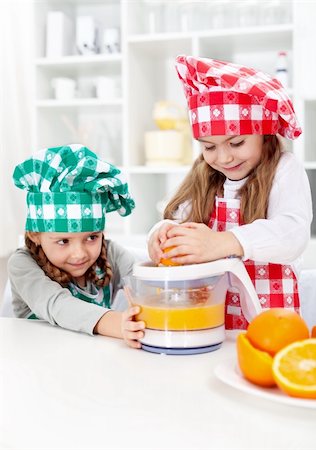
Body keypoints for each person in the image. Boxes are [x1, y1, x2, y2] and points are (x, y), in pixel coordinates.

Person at [148, 55, 313, 332]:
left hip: (271, 324)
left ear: (265, 133)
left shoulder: (284, 169)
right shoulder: (204, 174)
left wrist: (224, 242)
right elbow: (180, 221)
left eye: (236, 142)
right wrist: (163, 231)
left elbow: (292, 233)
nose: (223, 158)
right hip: (212, 321)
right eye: (209, 147)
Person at [8, 144, 145, 348]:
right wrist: (116, 323)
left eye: (92, 237)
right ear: (35, 234)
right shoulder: (22, 264)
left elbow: (142, 282)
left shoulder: (111, 253)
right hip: (40, 365)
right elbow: (58, 305)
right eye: (63, 241)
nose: (79, 253)